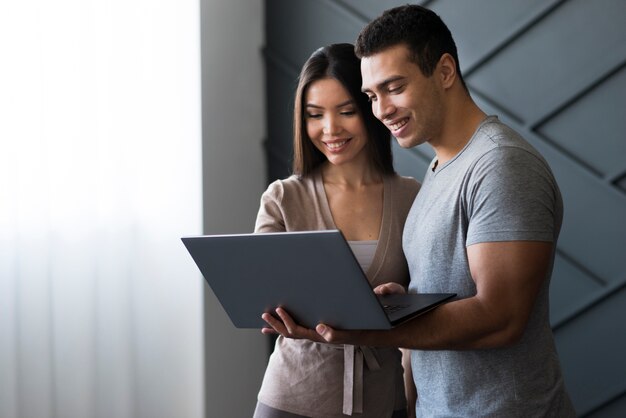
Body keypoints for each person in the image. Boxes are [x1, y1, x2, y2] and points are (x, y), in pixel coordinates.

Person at [263, 5, 577, 417]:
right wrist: (408, 299)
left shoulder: (501, 164)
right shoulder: (439, 168)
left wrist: (368, 328)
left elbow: (501, 317)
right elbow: (457, 288)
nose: (382, 110)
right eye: (372, 96)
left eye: (394, 87)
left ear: (445, 72)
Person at [253, 43, 421, 418]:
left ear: (370, 110)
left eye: (346, 111)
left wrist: (403, 302)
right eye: (315, 115)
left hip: (383, 400)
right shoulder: (283, 197)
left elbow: (425, 313)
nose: (330, 130)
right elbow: (264, 293)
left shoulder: (411, 197)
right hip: (292, 399)